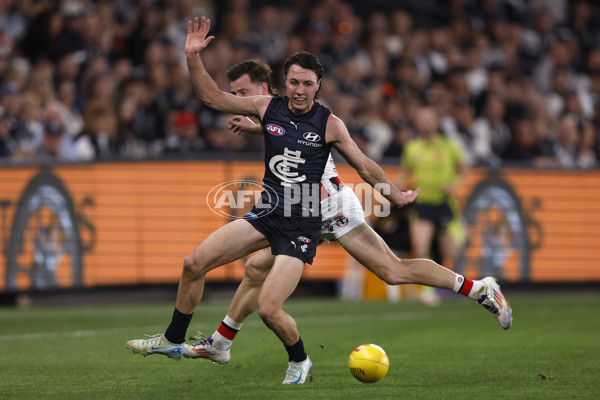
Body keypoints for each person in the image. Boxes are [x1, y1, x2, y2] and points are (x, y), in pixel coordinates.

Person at [126, 16, 423, 385]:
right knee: (193, 262)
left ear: (318, 86)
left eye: (307, 84)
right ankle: (173, 338)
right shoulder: (268, 107)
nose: (300, 90)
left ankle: (300, 361)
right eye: (294, 82)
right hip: (268, 214)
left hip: (302, 224)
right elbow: (211, 97)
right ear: (285, 83)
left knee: (269, 308)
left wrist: (392, 192)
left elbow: (363, 164)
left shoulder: (330, 124)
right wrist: (193, 57)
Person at [179, 60, 512, 364]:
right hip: (300, 212)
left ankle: (479, 289)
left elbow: (361, 163)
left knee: (393, 272)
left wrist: (393, 194)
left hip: (331, 208)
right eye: (235, 94)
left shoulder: (318, 120)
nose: (237, 98)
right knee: (255, 268)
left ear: (266, 90)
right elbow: (276, 128)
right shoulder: (277, 114)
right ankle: (221, 342)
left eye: (242, 93)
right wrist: (256, 128)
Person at [400, 106, 469, 305]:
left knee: (450, 252)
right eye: (421, 119)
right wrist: (398, 186)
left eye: (428, 119)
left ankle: (448, 286)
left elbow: (464, 167)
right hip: (422, 204)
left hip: (444, 204)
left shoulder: (448, 146)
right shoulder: (412, 147)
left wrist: (455, 184)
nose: (425, 123)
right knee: (421, 249)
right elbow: (406, 173)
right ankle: (426, 291)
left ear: (436, 122)